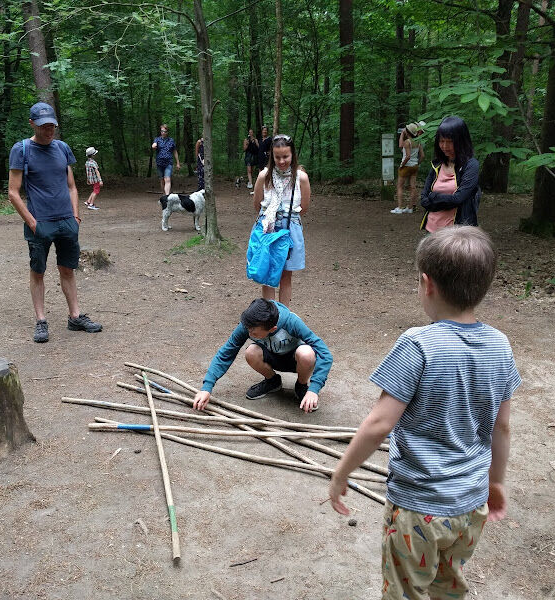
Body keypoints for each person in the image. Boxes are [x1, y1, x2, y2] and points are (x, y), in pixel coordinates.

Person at [328, 226, 520, 600]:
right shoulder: (500, 345)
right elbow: (503, 426)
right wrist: (495, 482)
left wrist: (341, 473)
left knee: (406, 591)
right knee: (448, 585)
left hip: (418, 510)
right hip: (470, 506)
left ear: (426, 283)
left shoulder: (417, 344)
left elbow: (379, 423)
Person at [8, 102, 103, 343]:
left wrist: (76, 216)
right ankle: (41, 320)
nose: (49, 130)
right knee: (38, 271)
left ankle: (75, 316)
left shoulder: (62, 148)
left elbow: (71, 185)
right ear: (32, 124)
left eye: (52, 125)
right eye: (44, 126)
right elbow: (13, 192)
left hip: (66, 222)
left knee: (67, 269)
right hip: (40, 223)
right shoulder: (22, 150)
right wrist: (32, 223)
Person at [192, 298, 332, 414]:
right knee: (250, 352)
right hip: (272, 358)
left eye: (254, 333)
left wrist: (314, 388)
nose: (250, 334)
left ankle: (302, 386)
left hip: (295, 361)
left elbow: (325, 353)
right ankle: (273, 381)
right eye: (248, 331)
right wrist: (207, 387)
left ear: (272, 329)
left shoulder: (291, 322)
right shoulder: (249, 325)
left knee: (307, 354)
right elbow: (226, 352)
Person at [252, 134, 310, 306]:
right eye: (277, 157)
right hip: (267, 228)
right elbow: (257, 205)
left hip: (290, 228)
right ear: (272, 156)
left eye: (285, 156)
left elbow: (304, 208)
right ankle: (268, 317)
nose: (282, 161)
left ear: (292, 155)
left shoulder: (301, 178)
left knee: (286, 276)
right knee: (267, 273)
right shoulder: (264, 176)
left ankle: (283, 317)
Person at [419, 116, 480, 232]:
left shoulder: (471, 166)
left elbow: (458, 199)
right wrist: (445, 200)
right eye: (441, 141)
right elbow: (423, 199)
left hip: (456, 234)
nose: (445, 146)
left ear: (461, 141)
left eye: (450, 142)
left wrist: (434, 197)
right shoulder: (437, 164)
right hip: (431, 229)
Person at [391, 121, 425, 214]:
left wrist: (402, 165)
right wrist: (417, 163)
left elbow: (407, 154)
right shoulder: (418, 142)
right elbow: (422, 156)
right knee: (413, 187)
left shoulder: (407, 142)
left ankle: (400, 207)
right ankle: (410, 207)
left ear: (408, 132)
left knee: (400, 187)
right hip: (414, 166)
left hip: (406, 166)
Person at [151, 124, 180, 195]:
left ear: (167, 132)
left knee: (167, 179)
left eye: (165, 131)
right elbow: (154, 145)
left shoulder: (171, 140)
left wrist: (178, 163)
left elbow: (175, 151)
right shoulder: (157, 139)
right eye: (162, 131)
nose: (163, 133)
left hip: (168, 163)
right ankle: (164, 194)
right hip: (159, 163)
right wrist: (154, 146)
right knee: (162, 180)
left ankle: (167, 196)